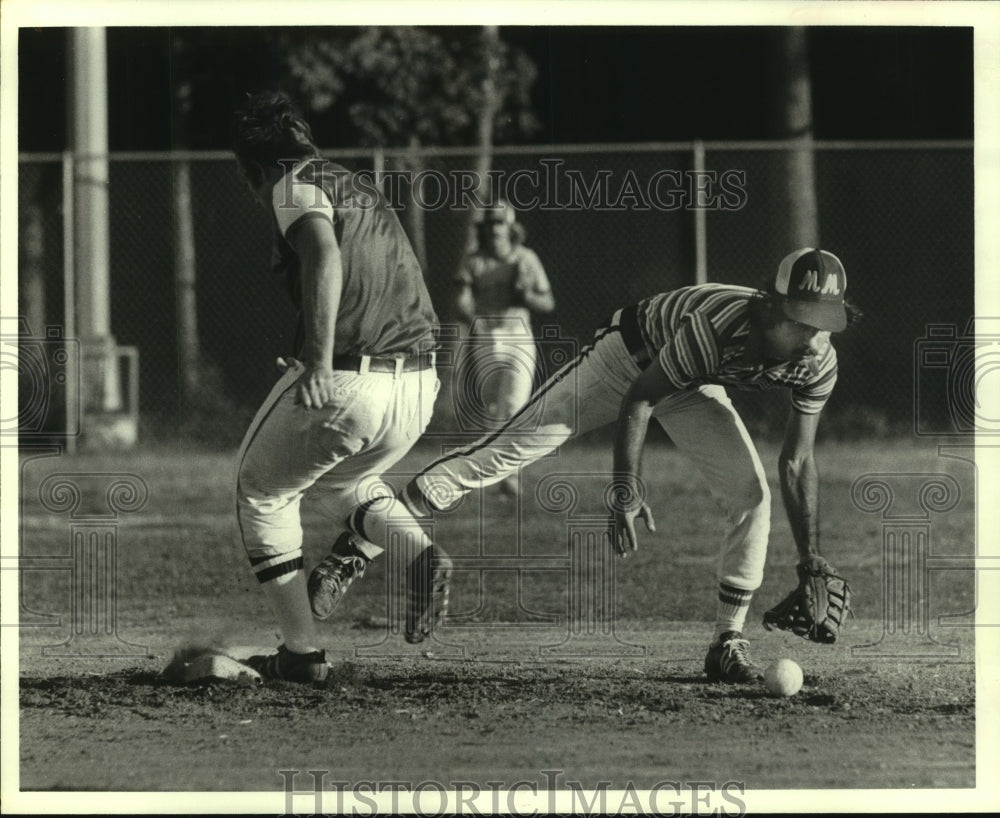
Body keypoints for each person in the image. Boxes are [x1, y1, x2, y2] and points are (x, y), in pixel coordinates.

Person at [312, 247, 860, 683]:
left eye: (825, 322)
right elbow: (640, 398)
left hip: (689, 382)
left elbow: (798, 460)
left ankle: (726, 642)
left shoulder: (818, 363)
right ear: (768, 306)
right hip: (626, 358)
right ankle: (353, 553)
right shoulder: (719, 325)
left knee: (752, 496)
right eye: (802, 319)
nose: (814, 336)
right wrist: (626, 488)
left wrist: (811, 556)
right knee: (501, 455)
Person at [231, 91, 450, 683]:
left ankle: (301, 654)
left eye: (248, 180)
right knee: (337, 485)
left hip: (355, 380)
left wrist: (321, 359)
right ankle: (417, 552)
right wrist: (314, 342)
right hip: (419, 385)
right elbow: (371, 280)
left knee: (259, 491)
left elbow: (324, 258)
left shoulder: (290, 186)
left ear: (255, 167)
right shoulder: (353, 184)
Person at [453, 200, 555, 498]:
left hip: (518, 336)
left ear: (511, 228)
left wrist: (525, 294)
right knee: (492, 410)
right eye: (490, 224)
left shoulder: (525, 259)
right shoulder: (474, 260)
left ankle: (509, 475)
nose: (494, 229)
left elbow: (547, 303)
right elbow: (460, 300)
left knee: (513, 406)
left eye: (499, 223)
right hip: (487, 336)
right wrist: (469, 314)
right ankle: (491, 471)